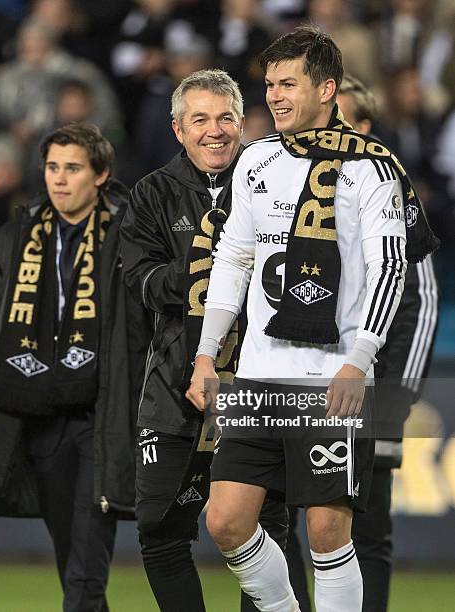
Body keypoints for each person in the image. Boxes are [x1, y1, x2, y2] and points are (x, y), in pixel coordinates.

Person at [187, 26, 438, 612]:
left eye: (288, 84)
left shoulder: (374, 170)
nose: (274, 96)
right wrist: (206, 350)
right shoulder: (257, 159)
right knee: (225, 520)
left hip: (332, 378)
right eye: (270, 84)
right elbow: (235, 257)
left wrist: (360, 361)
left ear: (327, 89)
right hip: (256, 375)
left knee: (328, 533)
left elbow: (390, 271)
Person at [0, 123, 149, 612]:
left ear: (101, 175)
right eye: (52, 167)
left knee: (85, 569)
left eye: (72, 168)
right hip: (38, 419)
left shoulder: (127, 236)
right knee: (71, 559)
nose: (59, 179)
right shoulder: (15, 238)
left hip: (101, 417)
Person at [120, 68, 288, 612]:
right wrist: (204, 274)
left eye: (225, 119)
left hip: (258, 382)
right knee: (158, 525)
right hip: (175, 384)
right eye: (200, 120)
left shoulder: (272, 182)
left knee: (262, 525)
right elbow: (138, 279)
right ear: (177, 129)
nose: (213, 131)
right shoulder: (152, 193)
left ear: (242, 123)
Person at [285, 75, 439, 612]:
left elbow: (420, 305)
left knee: (365, 531)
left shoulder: (390, 194)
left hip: (369, 394)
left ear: (365, 126)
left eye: (340, 119)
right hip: (303, 390)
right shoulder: (301, 196)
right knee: (299, 527)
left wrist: (394, 400)